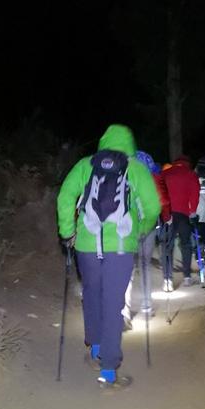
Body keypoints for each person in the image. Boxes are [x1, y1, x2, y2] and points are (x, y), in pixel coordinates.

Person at [56, 124, 160, 389]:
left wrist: (68, 232)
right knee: (113, 305)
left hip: (87, 245)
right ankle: (109, 372)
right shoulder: (136, 169)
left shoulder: (84, 165)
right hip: (121, 247)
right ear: (130, 144)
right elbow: (152, 206)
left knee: (91, 294)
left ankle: (95, 350)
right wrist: (141, 230)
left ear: (103, 142)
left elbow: (65, 198)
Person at [122, 150, 171, 327]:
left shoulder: (124, 178)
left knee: (127, 268)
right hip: (148, 227)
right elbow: (164, 202)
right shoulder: (154, 179)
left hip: (127, 228)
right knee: (144, 265)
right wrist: (166, 218)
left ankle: (125, 311)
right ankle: (147, 305)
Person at [161, 155, 201, 290]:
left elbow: (160, 192)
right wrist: (193, 211)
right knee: (186, 244)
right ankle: (187, 277)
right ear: (187, 163)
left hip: (168, 214)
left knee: (168, 246)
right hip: (184, 214)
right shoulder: (191, 175)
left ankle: (168, 279)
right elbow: (195, 194)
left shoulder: (165, 173)